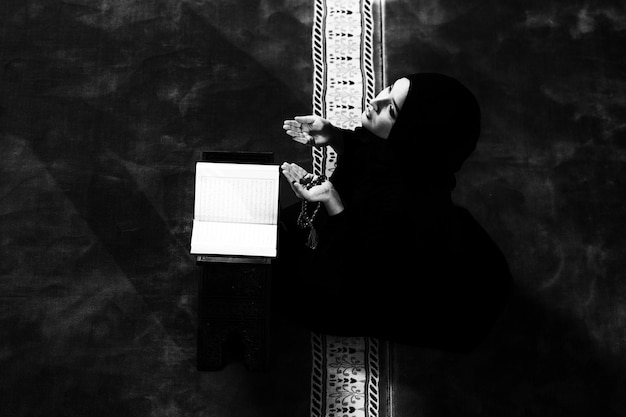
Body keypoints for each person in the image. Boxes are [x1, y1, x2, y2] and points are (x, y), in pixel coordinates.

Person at [274, 73, 512, 353]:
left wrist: (332, 201)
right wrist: (335, 136)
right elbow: (372, 155)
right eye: (388, 89)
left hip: (369, 277)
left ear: (412, 133)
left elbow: (364, 272)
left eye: (392, 109)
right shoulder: (404, 152)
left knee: (280, 283)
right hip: (368, 235)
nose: (376, 102)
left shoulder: (407, 205)